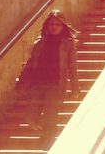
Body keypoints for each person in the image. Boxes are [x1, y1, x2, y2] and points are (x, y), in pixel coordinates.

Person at [18, 10, 79, 140]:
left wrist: (75, 88)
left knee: (50, 117)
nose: (54, 27)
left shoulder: (68, 43)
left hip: (56, 85)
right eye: (52, 24)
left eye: (58, 24)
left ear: (63, 26)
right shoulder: (40, 42)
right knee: (31, 117)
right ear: (47, 25)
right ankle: (43, 133)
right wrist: (21, 80)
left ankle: (47, 141)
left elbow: (72, 66)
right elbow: (30, 62)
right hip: (37, 83)